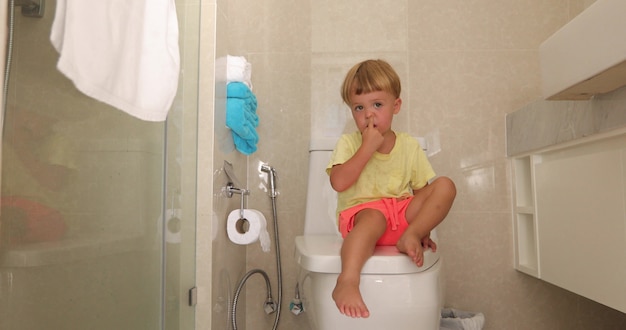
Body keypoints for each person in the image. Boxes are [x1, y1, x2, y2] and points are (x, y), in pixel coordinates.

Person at [327, 59, 456, 319]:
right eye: (359, 107)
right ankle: (347, 281)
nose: (368, 115)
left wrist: (421, 228)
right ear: (351, 111)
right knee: (374, 216)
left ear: (395, 106)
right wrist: (367, 148)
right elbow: (338, 183)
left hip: (401, 219)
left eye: (377, 105)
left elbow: (423, 193)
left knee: (445, 185)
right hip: (362, 219)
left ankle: (410, 236)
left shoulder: (408, 145)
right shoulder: (349, 142)